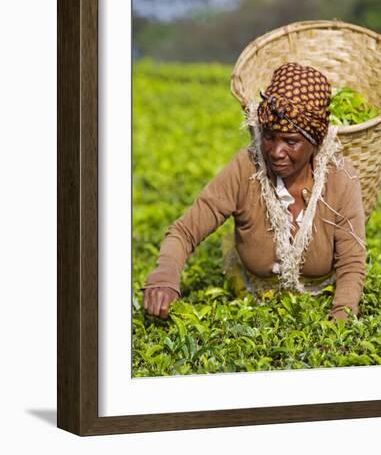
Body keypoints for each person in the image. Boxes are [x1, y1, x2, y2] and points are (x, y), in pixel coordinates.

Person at [142, 62, 366, 322]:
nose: (276, 151)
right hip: (250, 301)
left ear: (315, 142)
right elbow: (184, 232)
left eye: (291, 142)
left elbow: (351, 263)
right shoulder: (245, 168)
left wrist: (340, 324)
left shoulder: (339, 178)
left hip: (321, 301)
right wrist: (164, 276)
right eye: (269, 136)